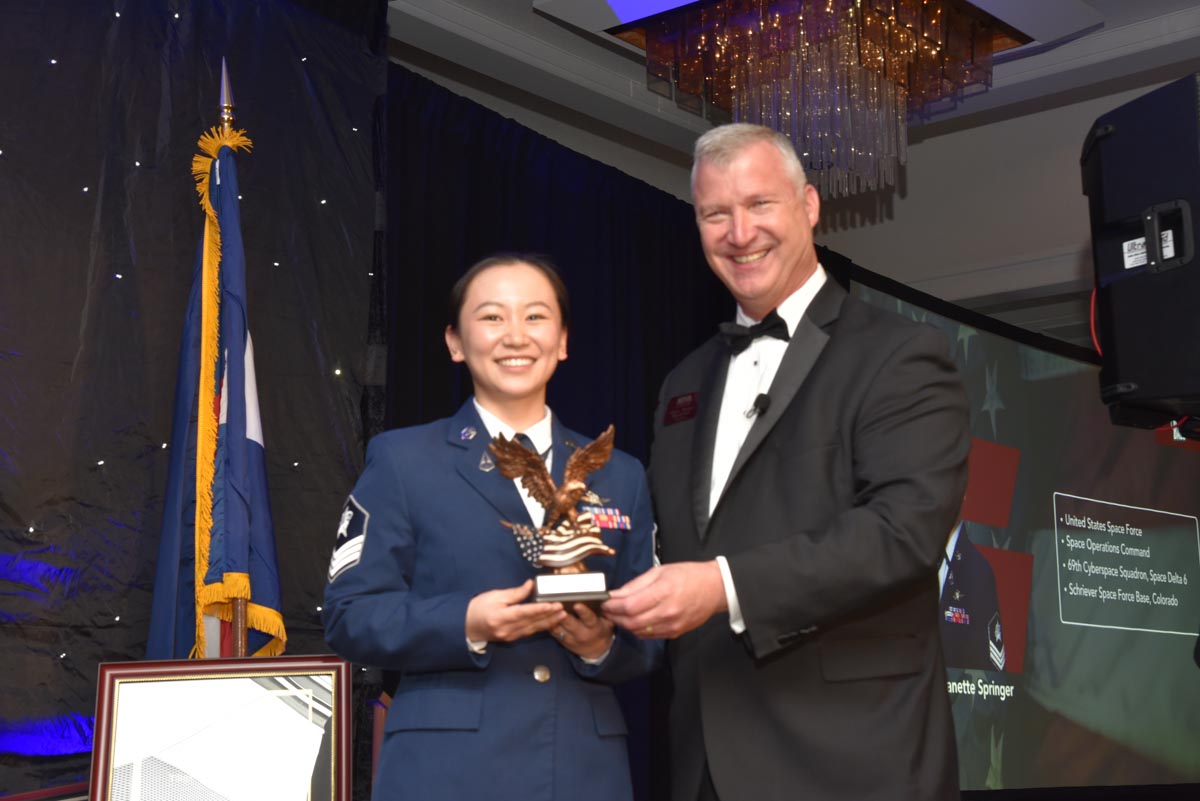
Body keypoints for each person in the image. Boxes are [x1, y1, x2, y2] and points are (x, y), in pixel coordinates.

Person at [603, 123, 971, 801]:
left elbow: (903, 533)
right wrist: (604, 609)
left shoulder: (899, 355)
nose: (739, 233)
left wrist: (722, 586)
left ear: (808, 205)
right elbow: (673, 547)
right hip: (702, 763)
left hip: (850, 763)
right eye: (716, 213)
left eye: (759, 204)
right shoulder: (682, 382)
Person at [323, 254, 661, 801]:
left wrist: (602, 645)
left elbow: (651, 631)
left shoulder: (620, 474)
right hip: (447, 772)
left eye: (535, 316)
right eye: (492, 317)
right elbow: (350, 614)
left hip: (582, 769)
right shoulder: (403, 460)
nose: (515, 336)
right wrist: (468, 622)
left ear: (563, 341)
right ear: (455, 342)